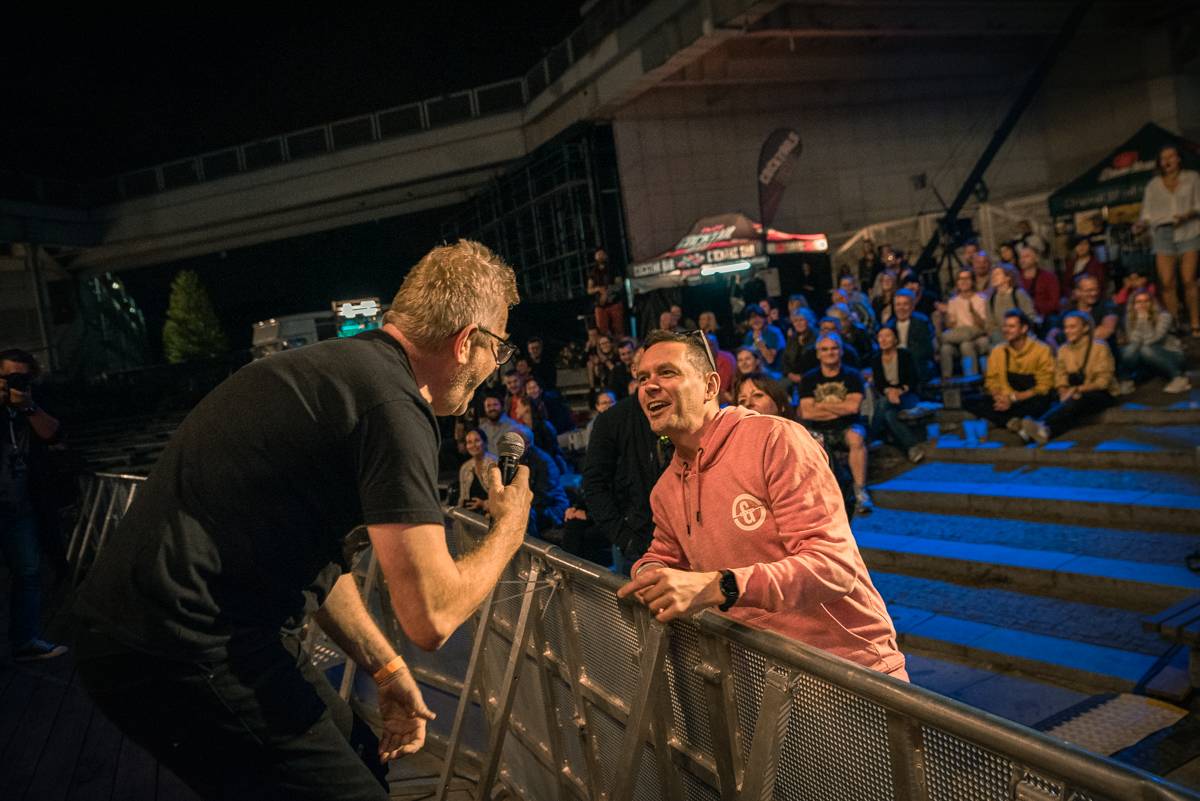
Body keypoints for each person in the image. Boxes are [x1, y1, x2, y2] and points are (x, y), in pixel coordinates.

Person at [73, 240, 535, 801]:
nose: (495, 369)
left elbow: (314, 558)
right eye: (499, 350)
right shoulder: (393, 406)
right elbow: (431, 617)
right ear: (467, 343)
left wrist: (385, 669)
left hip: (159, 634)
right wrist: (509, 529)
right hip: (183, 647)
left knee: (364, 761)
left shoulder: (336, 372)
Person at [616, 331, 906, 679]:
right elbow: (662, 554)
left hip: (845, 669)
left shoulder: (775, 440)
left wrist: (720, 586)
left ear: (710, 387)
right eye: (642, 378)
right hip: (760, 673)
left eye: (667, 372)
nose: (649, 386)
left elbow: (833, 566)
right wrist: (648, 574)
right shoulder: (665, 489)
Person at [1, 349, 68, 661]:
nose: (15, 383)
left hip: (21, 503)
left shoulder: (30, 403)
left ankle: (25, 640)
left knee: (28, 573)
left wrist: (27, 406)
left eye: (22, 378)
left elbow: (53, 434)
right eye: (9, 377)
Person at [582, 390, 672, 568]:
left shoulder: (683, 412)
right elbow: (594, 484)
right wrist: (624, 538)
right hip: (637, 541)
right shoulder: (612, 421)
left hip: (683, 540)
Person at [798, 332, 873, 513]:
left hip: (848, 426)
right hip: (818, 429)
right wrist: (839, 406)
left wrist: (821, 406)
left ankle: (860, 490)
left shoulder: (853, 376)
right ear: (818, 354)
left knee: (856, 437)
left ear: (841, 351)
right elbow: (807, 411)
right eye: (824, 349)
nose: (829, 352)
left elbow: (853, 408)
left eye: (834, 348)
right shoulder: (809, 379)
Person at [1020, 311, 1118, 445]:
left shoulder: (1099, 347)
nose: (1067, 331)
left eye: (1072, 327)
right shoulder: (1063, 350)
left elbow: (1103, 382)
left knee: (1077, 399)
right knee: (1053, 396)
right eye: (1066, 327)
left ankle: (1041, 424)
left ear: (1085, 328)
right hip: (1073, 390)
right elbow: (1060, 375)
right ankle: (1045, 430)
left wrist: (1076, 390)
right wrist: (1062, 389)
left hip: (1099, 392)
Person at [1137, 144, 1200, 336]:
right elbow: (1146, 213)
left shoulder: (1192, 178)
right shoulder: (1153, 185)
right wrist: (1140, 225)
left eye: (1171, 156)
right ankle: (1175, 323)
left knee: (1189, 279)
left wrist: (1187, 215)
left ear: (1178, 158)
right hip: (1162, 233)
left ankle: (1195, 322)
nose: (1167, 161)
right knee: (1167, 282)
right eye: (1163, 158)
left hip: (1188, 230)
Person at [965, 310, 1054, 433]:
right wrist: (998, 397)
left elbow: (1044, 386)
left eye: (1011, 326)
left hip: (1027, 399)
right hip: (1006, 399)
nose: (1006, 330)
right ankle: (1012, 423)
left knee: (1043, 400)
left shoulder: (1041, 350)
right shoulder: (998, 351)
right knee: (969, 400)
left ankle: (1007, 420)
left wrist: (1013, 398)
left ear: (1024, 329)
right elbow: (991, 380)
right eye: (1005, 326)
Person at [1119, 289, 1191, 394]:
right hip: (1146, 356)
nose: (1142, 305)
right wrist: (1139, 321)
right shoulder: (1129, 318)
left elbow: (1153, 340)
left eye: (1146, 301)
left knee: (1145, 349)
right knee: (1130, 349)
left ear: (1152, 303)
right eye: (1139, 302)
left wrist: (1143, 320)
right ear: (1133, 304)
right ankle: (1126, 380)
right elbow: (1133, 341)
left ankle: (1178, 377)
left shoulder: (1164, 316)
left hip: (1170, 354)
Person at [868, 328, 924, 462]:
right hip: (888, 397)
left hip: (908, 394)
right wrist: (889, 392)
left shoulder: (905, 355)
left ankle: (870, 438)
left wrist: (899, 391)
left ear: (895, 339)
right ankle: (912, 447)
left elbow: (913, 379)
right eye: (880, 336)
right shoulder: (876, 358)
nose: (883, 340)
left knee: (882, 404)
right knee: (889, 415)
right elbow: (880, 384)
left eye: (887, 336)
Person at [937, 268, 990, 379]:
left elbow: (983, 325)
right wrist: (945, 315)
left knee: (966, 345)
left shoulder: (981, 299)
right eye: (960, 279)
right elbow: (950, 325)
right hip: (959, 336)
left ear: (972, 281)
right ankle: (947, 381)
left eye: (967, 278)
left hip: (977, 335)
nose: (963, 282)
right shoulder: (953, 301)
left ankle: (972, 378)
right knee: (946, 348)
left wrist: (972, 311)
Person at [887, 289, 936, 384]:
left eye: (905, 304)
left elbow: (926, 351)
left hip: (917, 365)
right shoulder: (890, 325)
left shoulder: (922, 322)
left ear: (912, 306)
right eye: (898, 305)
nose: (901, 308)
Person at [984, 265, 1037, 346]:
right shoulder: (991, 299)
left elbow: (1030, 316)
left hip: (1020, 333)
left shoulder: (1019, 294)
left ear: (1008, 277)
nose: (993, 277)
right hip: (1001, 335)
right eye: (993, 275)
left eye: (997, 274)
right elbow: (990, 324)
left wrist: (1018, 331)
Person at [1017, 246, 1061, 327]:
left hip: (1045, 316)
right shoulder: (1016, 279)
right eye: (1021, 257)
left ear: (1036, 258)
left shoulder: (1049, 277)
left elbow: (1054, 303)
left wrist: (1035, 307)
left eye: (1026, 256)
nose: (1022, 260)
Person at [458, 428, 497, 514]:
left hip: (491, 514)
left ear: (485, 442)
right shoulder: (465, 468)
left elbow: (502, 498)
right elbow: (462, 498)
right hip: (470, 514)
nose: (473, 445)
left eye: (477, 440)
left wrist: (483, 504)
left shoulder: (495, 464)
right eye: (469, 442)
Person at [588, 247, 625, 336]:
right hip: (600, 305)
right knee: (602, 331)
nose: (600, 256)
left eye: (602, 254)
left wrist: (607, 292)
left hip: (614, 303)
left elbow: (619, 285)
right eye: (598, 255)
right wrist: (598, 289)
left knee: (618, 329)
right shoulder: (593, 272)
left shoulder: (613, 268)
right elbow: (589, 290)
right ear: (595, 257)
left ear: (606, 255)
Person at [742, 306, 785, 372]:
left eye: (758, 317)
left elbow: (770, 360)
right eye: (752, 318)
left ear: (765, 318)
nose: (755, 320)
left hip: (774, 372)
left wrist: (759, 341)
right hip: (756, 373)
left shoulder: (773, 332)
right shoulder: (749, 335)